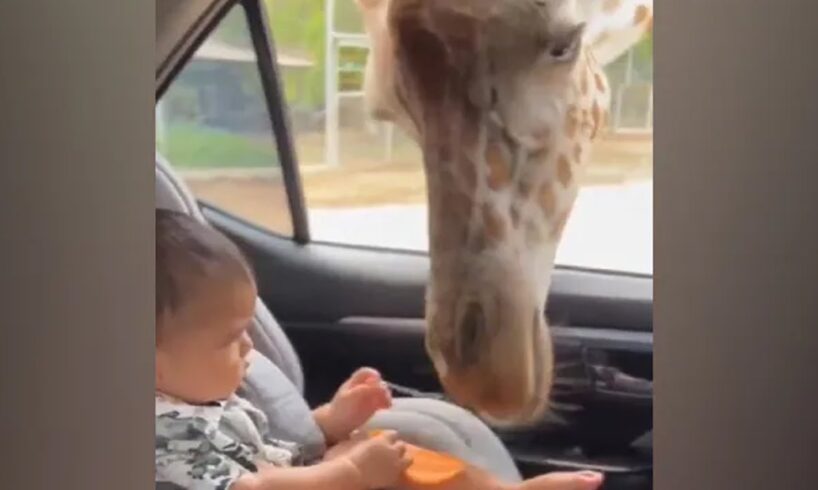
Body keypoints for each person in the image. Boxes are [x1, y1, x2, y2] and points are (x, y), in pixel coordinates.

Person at [155, 209, 604, 490]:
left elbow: (269, 445)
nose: (249, 347)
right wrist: (348, 476)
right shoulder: (158, 438)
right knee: (379, 463)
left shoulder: (197, 390)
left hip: (308, 476)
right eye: (229, 340)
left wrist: (331, 421)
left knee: (402, 455)